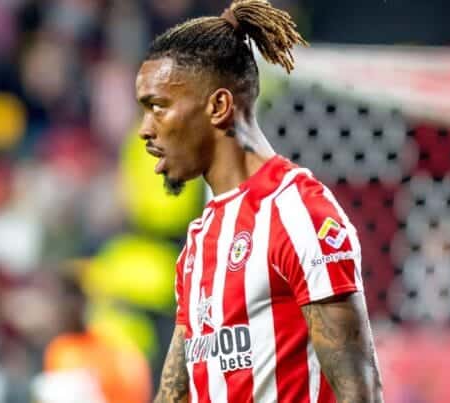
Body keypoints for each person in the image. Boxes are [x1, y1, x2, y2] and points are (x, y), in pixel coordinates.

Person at [135, 1, 384, 402]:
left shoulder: (298, 213)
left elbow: (360, 392)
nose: (145, 129)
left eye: (158, 107)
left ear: (218, 107)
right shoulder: (200, 239)